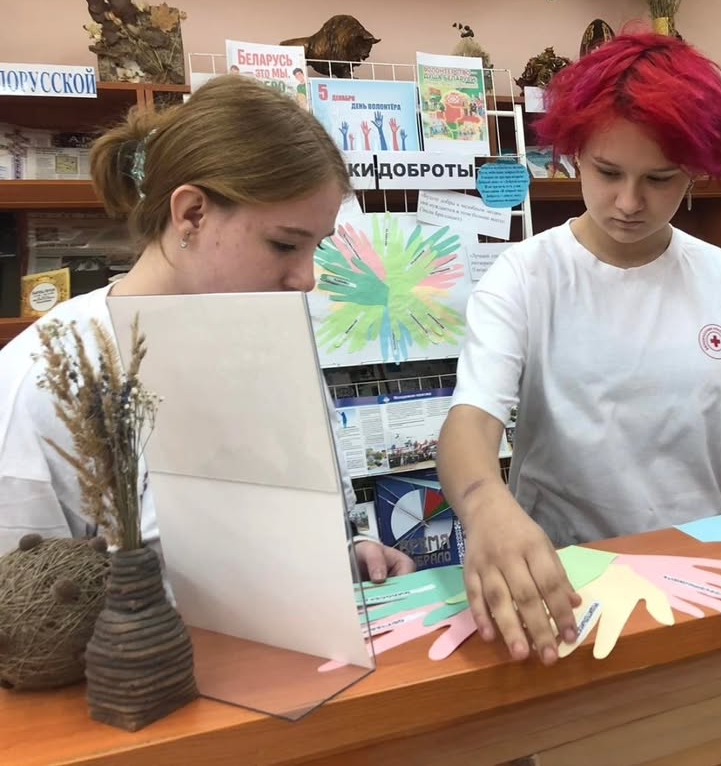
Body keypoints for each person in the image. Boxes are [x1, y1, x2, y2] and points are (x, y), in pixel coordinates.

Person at [437, 33, 721, 666]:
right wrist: (486, 504)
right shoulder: (525, 276)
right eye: (607, 173)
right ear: (573, 154)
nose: (629, 202)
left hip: (699, 572)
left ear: (694, 171)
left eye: (659, 179)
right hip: (564, 583)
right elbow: (473, 419)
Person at [0, 74, 413, 583]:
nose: (306, 279)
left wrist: (350, 550)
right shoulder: (43, 380)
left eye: (317, 246)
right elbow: (26, 606)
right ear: (192, 213)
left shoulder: (272, 342)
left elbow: (293, 516)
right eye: (285, 245)